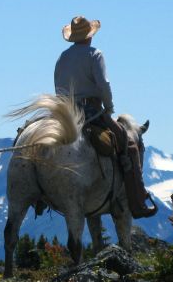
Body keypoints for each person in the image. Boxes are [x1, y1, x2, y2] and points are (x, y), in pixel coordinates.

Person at [55, 16, 157, 218]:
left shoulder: (62, 58)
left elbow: (58, 88)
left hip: (66, 113)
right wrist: (108, 107)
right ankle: (137, 200)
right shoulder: (95, 54)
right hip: (91, 111)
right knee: (129, 144)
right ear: (90, 36)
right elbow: (104, 85)